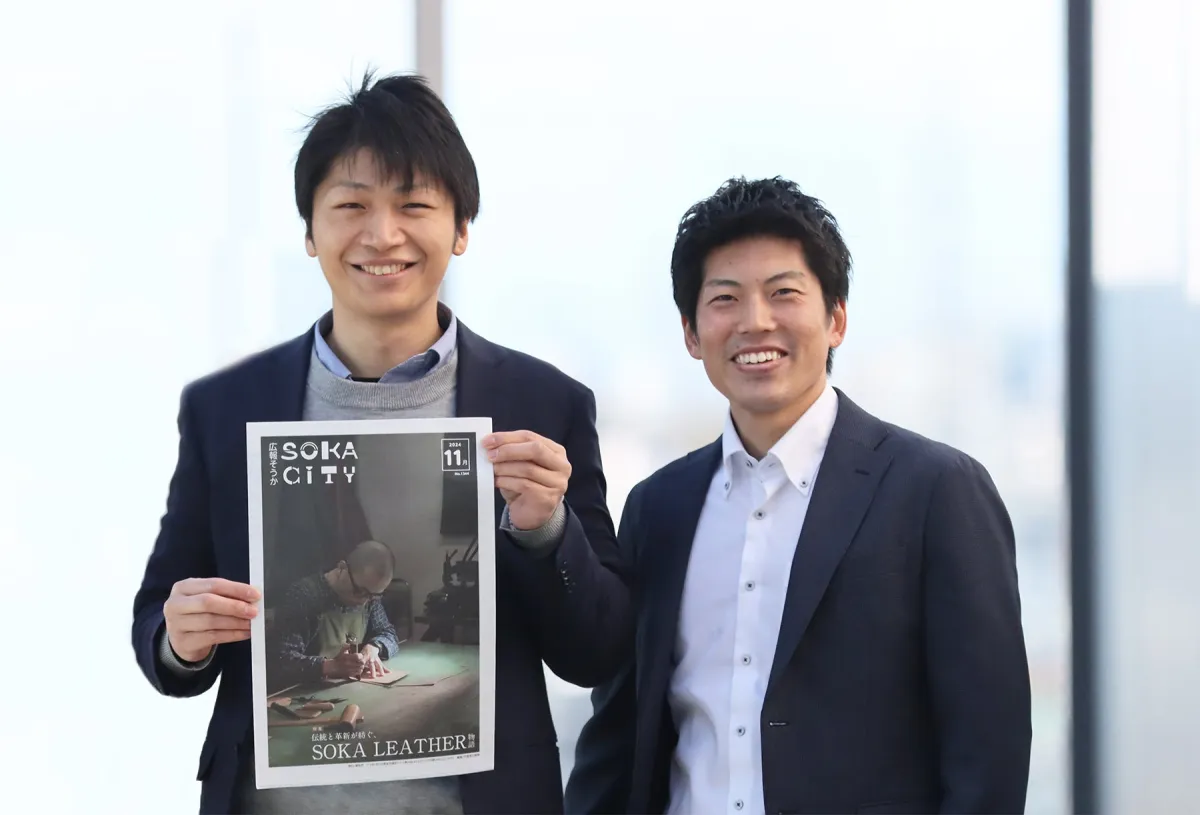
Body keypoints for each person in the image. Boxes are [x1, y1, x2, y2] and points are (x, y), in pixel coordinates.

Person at [130, 71, 630, 815]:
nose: (382, 234)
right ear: (310, 231)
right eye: (352, 205)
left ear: (460, 228)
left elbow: (600, 650)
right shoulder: (225, 409)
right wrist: (181, 638)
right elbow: (159, 623)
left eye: (414, 205)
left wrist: (546, 531)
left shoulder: (542, 403)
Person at [564, 177, 1032, 815]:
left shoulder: (937, 491)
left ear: (836, 318)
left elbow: (988, 752)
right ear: (692, 334)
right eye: (725, 299)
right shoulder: (658, 507)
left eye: (783, 293)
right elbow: (620, 733)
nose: (755, 321)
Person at [269, 539, 401, 688]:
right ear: (342, 568)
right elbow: (280, 661)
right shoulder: (303, 596)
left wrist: (374, 648)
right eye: (360, 591)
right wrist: (330, 666)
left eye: (374, 596)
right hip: (301, 692)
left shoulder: (369, 596)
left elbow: (388, 633)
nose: (365, 602)